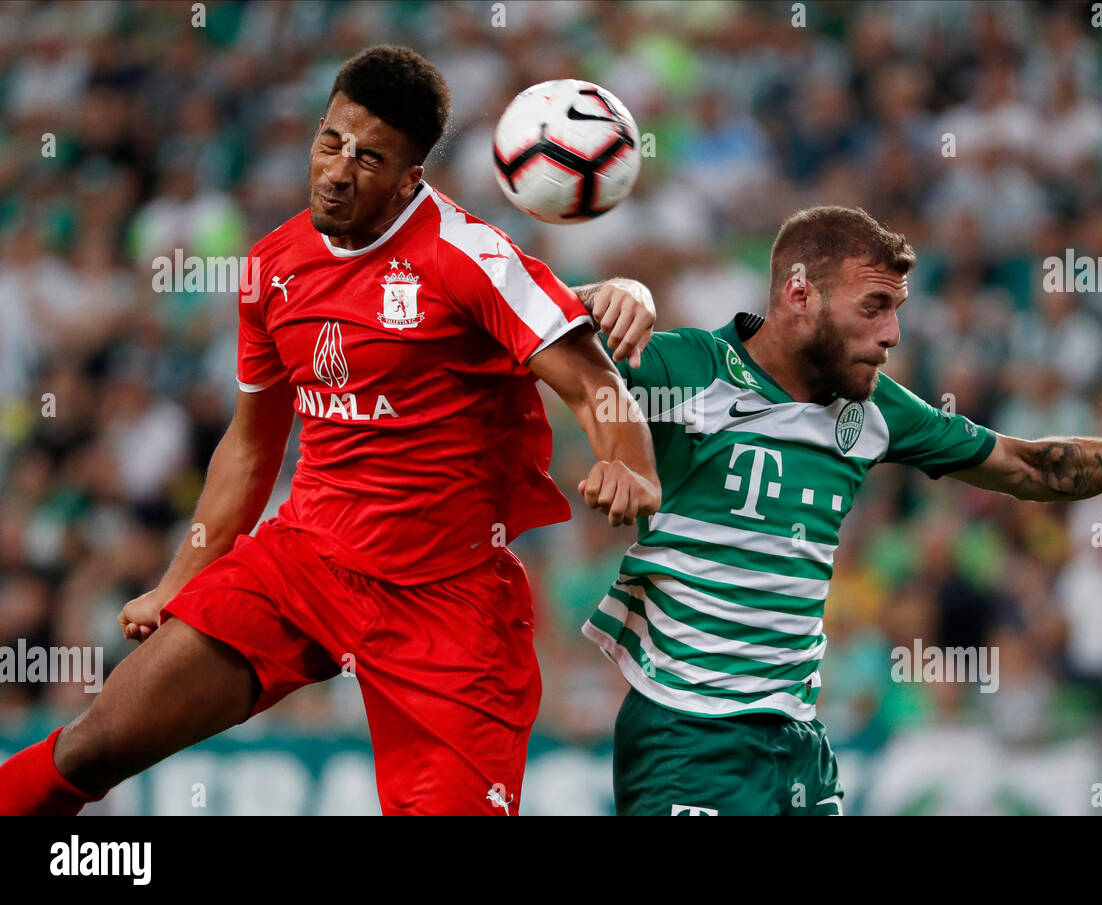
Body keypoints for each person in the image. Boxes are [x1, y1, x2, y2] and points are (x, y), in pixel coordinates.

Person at [0, 45, 660, 817]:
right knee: (94, 743)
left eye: (370, 157)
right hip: (304, 564)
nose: (338, 171)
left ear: (411, 176)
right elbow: (250, 445)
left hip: (448, 607)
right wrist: (182, 577)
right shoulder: (272, 266)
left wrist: (631, 463)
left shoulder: (470, 258)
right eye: (329, 142)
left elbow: (594, 382)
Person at [582, 205, 1102, 816]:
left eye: (896, 310)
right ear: (798, 293)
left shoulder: (873, 411)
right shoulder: (687, 368)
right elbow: (534, 325)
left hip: (795, 745)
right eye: (874, 307)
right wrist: (617, 294)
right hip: (686, 734)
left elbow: (1030, 466)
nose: (893, 333)